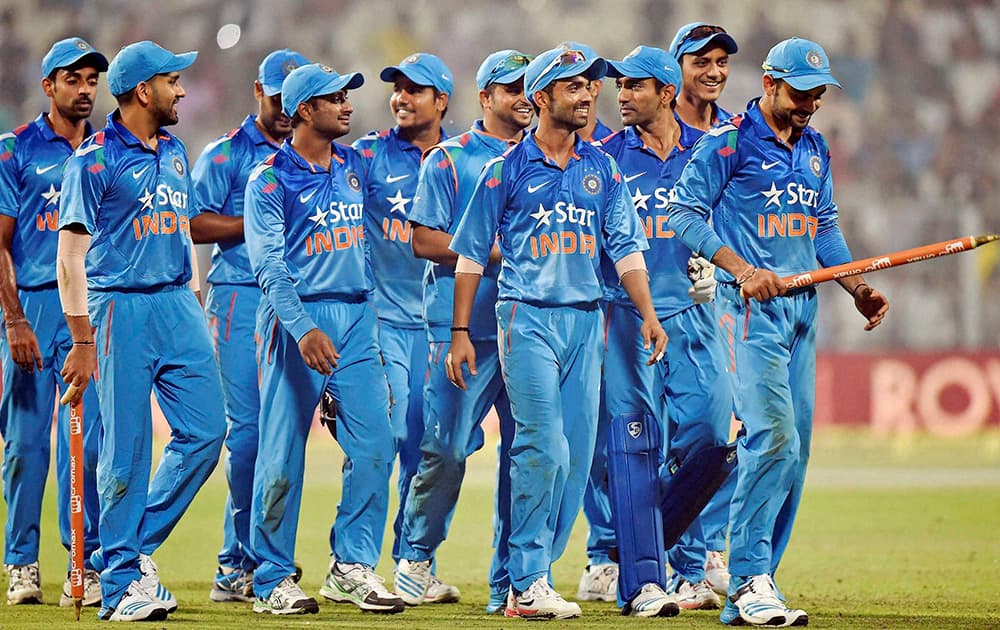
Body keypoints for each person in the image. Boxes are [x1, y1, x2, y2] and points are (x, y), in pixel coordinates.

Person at [667, 38, 889, 627]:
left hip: (802, 314)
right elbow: (682, 214)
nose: (810, 104)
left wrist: (857, 285)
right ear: (769, 83)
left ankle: (761, 578)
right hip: (748, 312)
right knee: (774, 438)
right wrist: (742, 270)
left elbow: (826, 230)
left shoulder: (815, 147)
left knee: (796, 454)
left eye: (818, 94)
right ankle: (746, 582)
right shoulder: (728, 143)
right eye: (800, 92)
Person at [447, 44, 667, 620]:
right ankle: (527, 582)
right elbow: (469, 257)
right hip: (528, 319)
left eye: (591, 85)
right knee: (542, 448)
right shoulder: (505, 169)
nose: (590, 94)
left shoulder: (604, 168)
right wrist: (460, 332)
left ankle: (522, 579)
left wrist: (647, 313)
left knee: (571, 460)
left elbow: (625, 249)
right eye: (574, 86)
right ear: (541, 97)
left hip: (586, 321)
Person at [57, 40, 227, 622]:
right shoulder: (94, 159)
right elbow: (70, 257)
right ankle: (125, 580)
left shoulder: (176, 150)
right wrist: (82, 340)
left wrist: (197, 300)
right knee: (126, 450)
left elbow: (180, 230)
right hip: (118, 310)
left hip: (177, 304)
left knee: (206, 433)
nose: (181, 91)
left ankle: (120, 555)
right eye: (172, 81)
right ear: (141, 90)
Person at [243, 62, 403, 616]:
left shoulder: (355, 165)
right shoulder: (269, 179)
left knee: (377, 446)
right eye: (335, 98)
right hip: (297, 323)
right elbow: (267, 263)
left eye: (347, 96)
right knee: (283, 455)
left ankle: (352, 566)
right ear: (304, 110)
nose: (347, 105)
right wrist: (303, 326)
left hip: (358, 320)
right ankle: (270, 580)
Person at [393, 49, 532, 613]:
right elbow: (423, 240)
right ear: (485, 98)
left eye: (531, 86)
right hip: (464, 329)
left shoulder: (551, 158)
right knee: (446, 448)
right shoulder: (451, 159)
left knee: (527, 453)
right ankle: (416, 557)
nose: (524, 96)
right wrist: (507, 252)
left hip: (528, 330)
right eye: (511, 87)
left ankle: (513, 578)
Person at [189, 47, 309, 603]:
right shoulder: (226, 155)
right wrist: (261, 221)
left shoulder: (317, 156)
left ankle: (270, 557)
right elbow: (193, 224)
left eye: (297, 98)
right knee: (249, 436)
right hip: (239, 296)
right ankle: (235, 562)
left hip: (299, 301)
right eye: (279, 98)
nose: (288, 109)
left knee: (285, 436)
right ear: (258, 93)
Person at [0, 37, 107, 609]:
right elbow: (0, 244)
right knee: (25, 446)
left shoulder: (110, 148)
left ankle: (81, 565)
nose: (85, 89)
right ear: (48, 86)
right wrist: (14, 319)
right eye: (73, 79)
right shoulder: (14, 150)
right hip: (36, 307)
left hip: (91, 309)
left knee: (88, 446)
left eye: (92, 79)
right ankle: (21, 564)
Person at [350, 52, 459, 603]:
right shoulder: (367, 155)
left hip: (439, 325)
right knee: (384, 436)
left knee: (429, 447)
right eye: (397, 89)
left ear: (441, 100)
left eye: (414, 90)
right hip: (381, 320)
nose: (400, 98)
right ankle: (354, 563)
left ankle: (414, 564)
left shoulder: (462, 161)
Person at [663, 21, 742, 606]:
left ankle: (706, 546)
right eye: (700, 61)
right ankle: (633, 553)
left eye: (721, 62)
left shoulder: (741, 137)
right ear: (676, 72)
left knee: (726, 430)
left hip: (723, 305)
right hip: (656, 307)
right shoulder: (648, 134)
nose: (713, 72)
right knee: (644, 438)